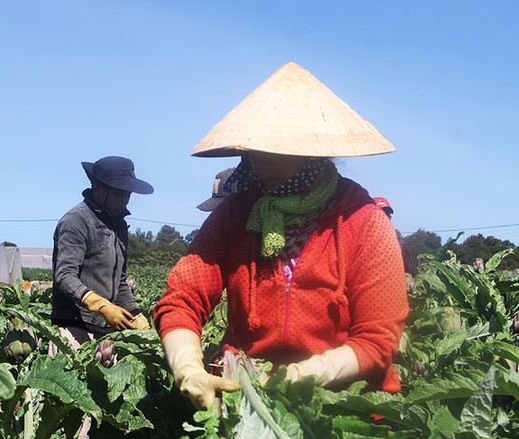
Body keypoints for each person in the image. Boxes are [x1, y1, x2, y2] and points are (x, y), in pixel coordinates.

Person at [153, 62, 409, 410]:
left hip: (347, 403)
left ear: (313, 153)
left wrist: (299, 377)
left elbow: (376, 342)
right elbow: (182, 298)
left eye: (278, 151)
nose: (262, 163)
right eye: (257, 151)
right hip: (247, 395)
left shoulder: (362, 221)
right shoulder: (236, 214)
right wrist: (187, 368)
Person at [51, 155, 153, 439]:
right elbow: (64, 276)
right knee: (77, 411)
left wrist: (136, 315)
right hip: (75, 328)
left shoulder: (117, 225)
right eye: (121, 192)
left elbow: (121, 281)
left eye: (128, 193)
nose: (126, 199)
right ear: (100, 188)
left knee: (104, 410)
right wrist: (99, 304)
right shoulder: (76, 222)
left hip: (105, 332)